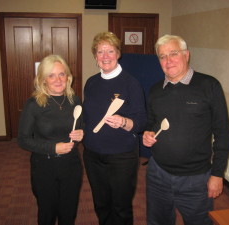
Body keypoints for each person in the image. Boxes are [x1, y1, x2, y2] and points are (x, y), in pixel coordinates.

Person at [142, 34, 229, 225]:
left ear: (186, 55)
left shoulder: (209, 86)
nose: (168, 60)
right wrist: (147, 133)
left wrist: (217, 174)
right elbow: (151, 123)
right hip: (158, 174)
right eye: (162, 56)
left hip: (196, 179)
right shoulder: (155, 90)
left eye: (173, 53)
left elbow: (222, 133)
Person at [82, 31, 147, 225]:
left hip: (121, 156)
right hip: (93, 154)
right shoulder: (91, 83)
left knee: (121, 207)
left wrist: (124, 122)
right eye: (100, 52)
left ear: (118, 53)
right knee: (101, 204)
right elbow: (88, 117)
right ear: (95, 56)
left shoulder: (131, 83)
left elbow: (142, 121)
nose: (105, 56)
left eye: (110, 51)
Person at [18, 54, 83, 225]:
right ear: (43, 79)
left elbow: (80, 128)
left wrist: (81, 134)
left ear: (68, 77)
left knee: (68, 213)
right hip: (44, 167)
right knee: (47, 213)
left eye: (61, 74)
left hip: (71, 165)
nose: (57, 79)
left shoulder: (74, 100)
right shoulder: (34, 104)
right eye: (51, 75)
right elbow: (23, 140)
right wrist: (53, 147)